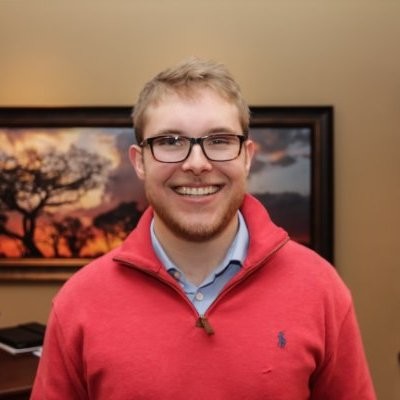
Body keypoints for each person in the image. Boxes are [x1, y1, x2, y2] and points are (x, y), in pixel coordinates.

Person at [31, 58, 376, 399]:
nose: (197, 164)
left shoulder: (320, 288)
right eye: (170, 141)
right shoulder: (79, 302)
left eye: (219, 140)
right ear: (139, 162)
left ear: (247, 157)